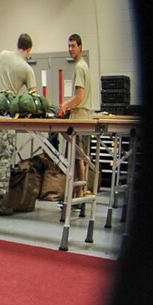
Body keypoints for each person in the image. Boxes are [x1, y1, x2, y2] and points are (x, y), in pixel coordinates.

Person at [0, 33, 35, 215]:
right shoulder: (27, 69)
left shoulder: (3, 54)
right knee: (4, 156)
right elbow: (32, 96)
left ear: (17, 44)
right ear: (28, 50)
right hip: (6, 115)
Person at [60, 32, 92, 192]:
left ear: (80, 47)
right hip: (86, 116)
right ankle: (79, 194)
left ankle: (78, 195)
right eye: (69, 46)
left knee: (78, 157)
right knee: (81, 157)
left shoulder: (79, 67)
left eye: (73, 46)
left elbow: (79, 96)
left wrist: (65, 105)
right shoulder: (84, 65)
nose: (70, 49)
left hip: (79, 115)